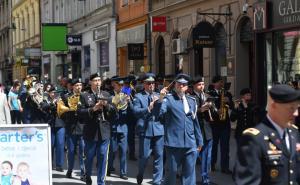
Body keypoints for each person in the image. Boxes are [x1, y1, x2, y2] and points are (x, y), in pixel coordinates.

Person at [234, 84, 300, 185]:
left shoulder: (294, 133)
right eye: (291, 108)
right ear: (274, 106)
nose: (296, 113)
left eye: (297, 108)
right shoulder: (254, 138)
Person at [154, 73, 203, 185]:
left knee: (189, 174)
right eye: (178, 83)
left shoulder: (192, 100)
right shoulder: (168, 99)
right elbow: (159, 115)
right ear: (175, 84)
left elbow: (195, 122)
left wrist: (199, 140)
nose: (181, 86)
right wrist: (160, 99)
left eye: (183, 84)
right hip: (173, 143)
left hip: (190, 143)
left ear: (187, 87)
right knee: (172, 172)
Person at [78, 72, 117, 185]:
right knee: (89, 158)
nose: (98, 82)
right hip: (90, 132)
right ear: (90, 82)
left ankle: (101, 182)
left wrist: (107, 105)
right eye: (95, 80)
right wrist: (92, 109)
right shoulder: (84, 95)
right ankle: (88, 176)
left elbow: (114, 111)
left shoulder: (107, 94)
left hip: (104, 131)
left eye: (99, 80)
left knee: (103, 157)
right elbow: (79, 112)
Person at [132, 73, 164, 185]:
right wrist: (148, 108)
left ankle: (157, 181)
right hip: (145, 130)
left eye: (153, 83)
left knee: (159, 157)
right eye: (148, 83)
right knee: (144, 157)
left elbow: (163, 111)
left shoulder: (159, 95)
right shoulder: (138, 97)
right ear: (144, 84)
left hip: (159, 130)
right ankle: (140, 174)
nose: (151, 85)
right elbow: (135, 112)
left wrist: (160, 101)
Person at [190, 76, 213, 185]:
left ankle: (205, 178)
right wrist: (200, 109)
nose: (202, 86)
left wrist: (212, 107)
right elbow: (189, 112)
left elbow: (214, 111)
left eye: (203, 84)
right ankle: (190, 178)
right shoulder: (190, 97)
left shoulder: (207, 95)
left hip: (207, 129)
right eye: (199, 84)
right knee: (194, 155)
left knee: (207, 156)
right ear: (194, 85)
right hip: (197, 129)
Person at [61, 78, 86, 180]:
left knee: (82, 152)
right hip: (71, 127)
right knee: (71, 151)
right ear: (72, 86)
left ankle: (83, 172)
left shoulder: (85, 96)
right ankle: (70, 169)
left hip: (83, 127)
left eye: (80, 85)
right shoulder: (66, 97)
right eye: (76, 85)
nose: (79, 87)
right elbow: (61, 112)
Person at [208, 75, 234, 174]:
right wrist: (216, 112)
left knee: (225, 146)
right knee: (214, 145)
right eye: (219, 82)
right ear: (214, 83)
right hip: (214, 123)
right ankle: (212, 164)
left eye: (222, 82)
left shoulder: (227, 93)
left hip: (225, 123)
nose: (221, 84)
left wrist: (229, 101)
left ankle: (225, 167)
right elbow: (209, 107)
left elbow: (232, 107)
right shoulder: (210, 93)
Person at [107, 76, 129, 180]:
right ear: (113, 85)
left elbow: (132, 112)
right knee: (112, 150)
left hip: (123, 127)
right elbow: (108, 112)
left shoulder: (126, 94)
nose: (120, 87)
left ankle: (123, 172)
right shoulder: (109, 95)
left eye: (122, 85)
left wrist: (130, 101)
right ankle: (109, 167)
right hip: (113, 126)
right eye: (118, 85)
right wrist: (116, 103)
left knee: (123, 151)